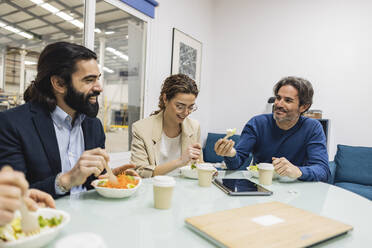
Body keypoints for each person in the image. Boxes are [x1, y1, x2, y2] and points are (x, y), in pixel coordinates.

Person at [0, 42, 135, 198]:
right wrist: (66, 180)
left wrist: (110, 179)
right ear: (59, 83)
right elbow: (12, 196)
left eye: (98, 78)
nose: (99, 88)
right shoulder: (12, 124)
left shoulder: (93, 126)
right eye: (89, 80)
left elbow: (91, 180)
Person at [214, 76, 330, 182]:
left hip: (296, 189)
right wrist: (231, 154)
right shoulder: (257, 123)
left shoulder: (313, 128)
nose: (279, 104)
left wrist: (298, 171)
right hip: (261, 187)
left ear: (304, 107)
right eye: (278, 98)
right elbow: (235, 164)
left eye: (288, 100)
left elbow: (323, 171)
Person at [120, 74, 203, 178]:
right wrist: (180, 161)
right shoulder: (141, 129)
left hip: (184, 190)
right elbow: (139, 172)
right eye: (180, 106)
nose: (186, 112)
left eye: (191, 107)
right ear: (165, 99)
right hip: (154, 189)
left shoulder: (194, 127)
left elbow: (198, 165)